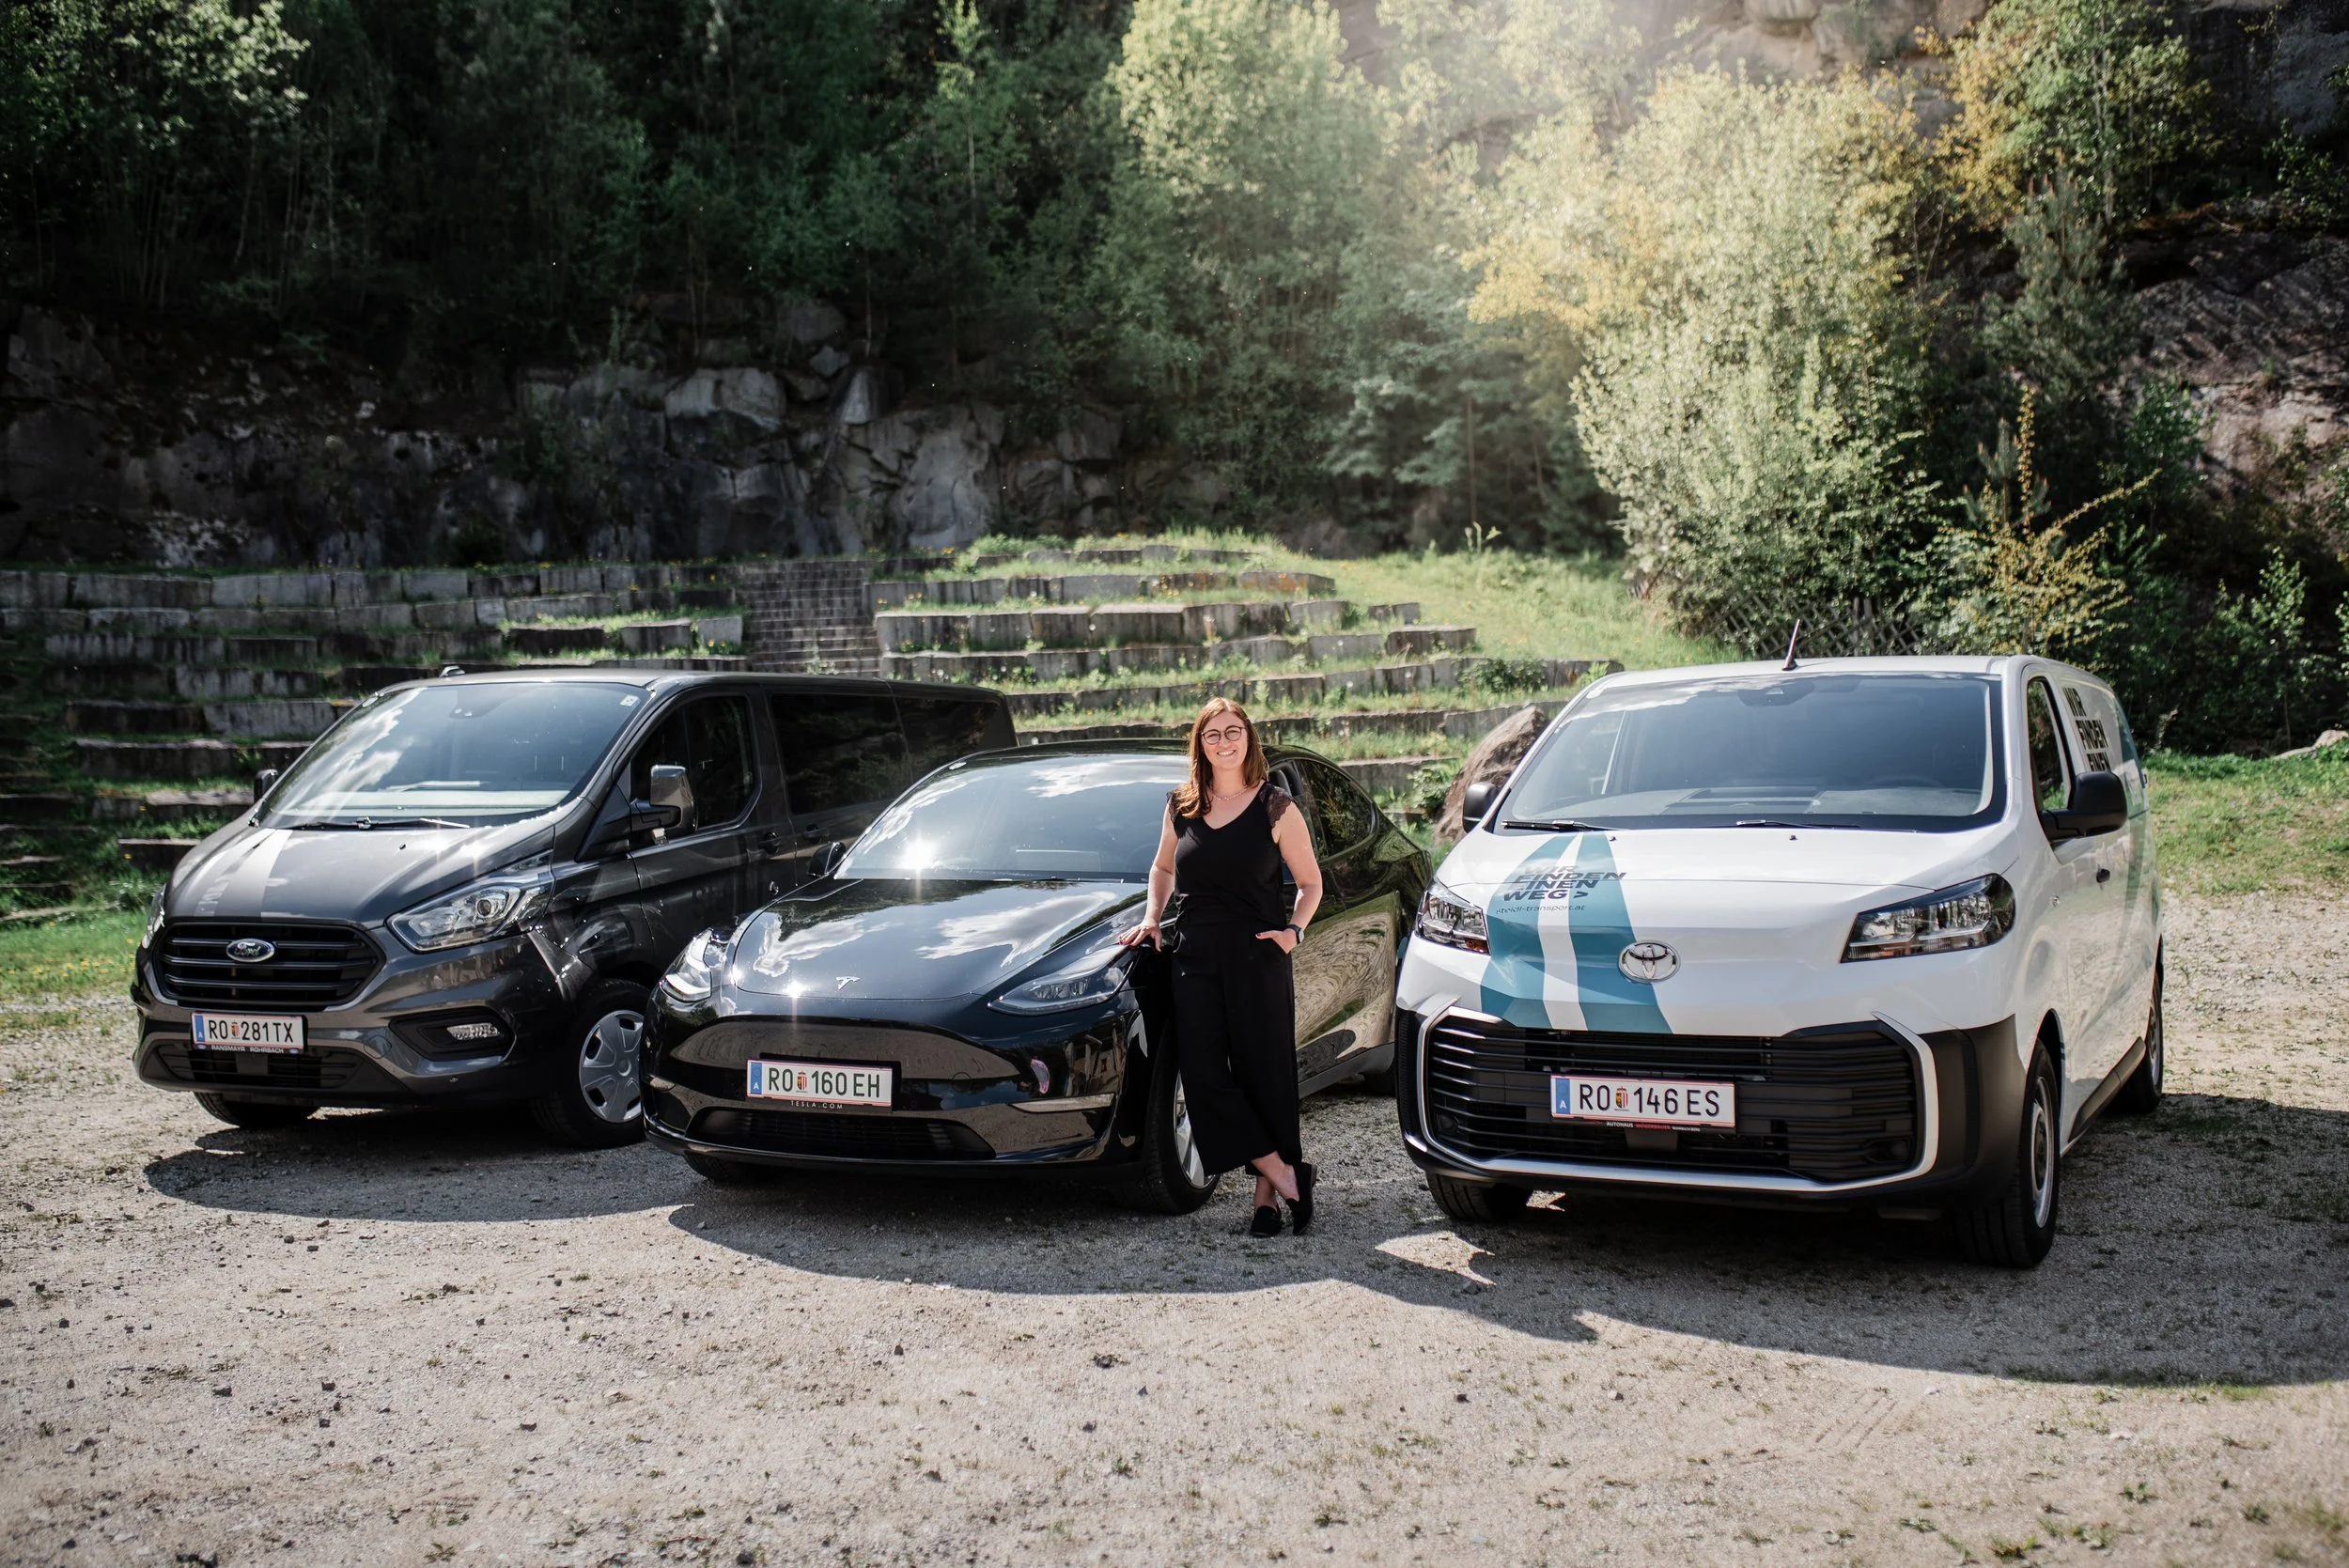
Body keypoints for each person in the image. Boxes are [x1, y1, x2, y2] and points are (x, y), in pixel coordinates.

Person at [1119, 698, 1325, 1235]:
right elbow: (1163, 867)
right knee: (1204, 1075)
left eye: (1233, 732)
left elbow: (1311, 884)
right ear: (1200, 744)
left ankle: (1266, 1199)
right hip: (1195, 958)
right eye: (1213, 734)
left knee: (1264, 1075)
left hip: (1258, 957)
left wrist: (1294, 931)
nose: (1224, 742)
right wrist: (1152, 917)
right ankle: (1287, 1173)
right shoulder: (1182, 804)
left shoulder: (1275, 806)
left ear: (1248, 738)